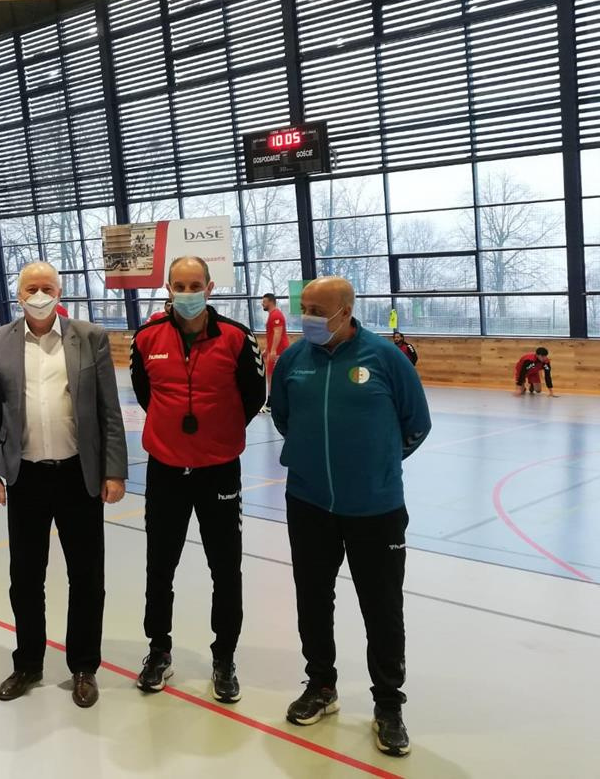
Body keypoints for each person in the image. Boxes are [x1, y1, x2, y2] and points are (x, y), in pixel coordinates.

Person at [269, 276, 431, 758]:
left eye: (319, 310)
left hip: (375, 509)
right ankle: (321, 685)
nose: (308, 318)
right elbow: (283, 417)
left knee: (382, 608)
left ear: (347, 310)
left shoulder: (385, 358)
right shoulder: (294, 360)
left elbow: (416, 424)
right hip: (308, 503)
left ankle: (389, 705)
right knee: (313, 599)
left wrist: (375, 466)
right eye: (305, 308)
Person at [0, 261, 128, 709]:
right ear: (19, 294)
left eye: (47, 287)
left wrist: (114, 471)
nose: (39, 295)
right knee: (25, 577)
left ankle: (83, 666)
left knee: (87, 576)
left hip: (78, 475)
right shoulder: (0, 340)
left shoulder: (90, 337)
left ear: (59, 292)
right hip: (24, 475)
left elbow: (109, 410)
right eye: (31, 288)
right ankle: (28, 663)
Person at [130, 256, 265, 702]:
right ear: (168, 288)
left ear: (209, 287)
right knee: (159, 565)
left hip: (219, 470)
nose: (187, 293)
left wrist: (217, 434)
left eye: (195, 285)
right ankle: (159, 650)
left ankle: (224, 658)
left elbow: (254, 395)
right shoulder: (146, 338)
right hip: (165, 470)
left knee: (225, 568)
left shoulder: (237, 338)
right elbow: (145, 393)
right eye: (179, 285)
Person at [261, 293, 289, 412]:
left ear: (271, 302)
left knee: (272, 377)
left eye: (264, 301)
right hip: (274, 351)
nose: (262, 304)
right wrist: (267, 350)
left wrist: (273, 351)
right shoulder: (272, 315)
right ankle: (271, 402)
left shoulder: (276, 315)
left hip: (279, 351)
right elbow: (271, 335)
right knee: (270, 376)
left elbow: (278, 333)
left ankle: (271, 404)